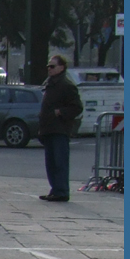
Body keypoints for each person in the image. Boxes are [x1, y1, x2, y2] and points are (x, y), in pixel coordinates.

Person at [38, 55, 83, 201]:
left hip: (59, 129)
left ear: (61, 67)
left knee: (59, 161)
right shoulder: (50, 83)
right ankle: (55, 189)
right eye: (48, 66)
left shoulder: (66, 85)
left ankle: (62, 191)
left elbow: (77, 107)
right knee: (51, 163)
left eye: (52, 66)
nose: (49, 69)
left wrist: (61, 112)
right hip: (49, 128)